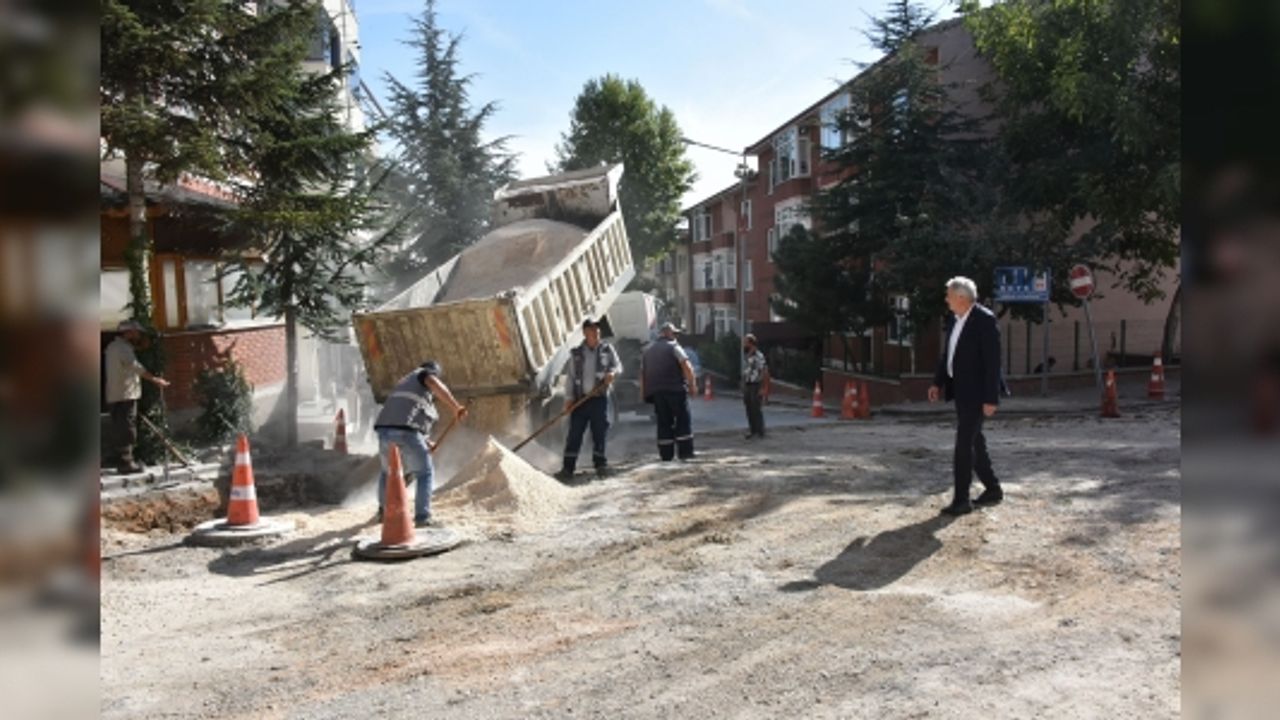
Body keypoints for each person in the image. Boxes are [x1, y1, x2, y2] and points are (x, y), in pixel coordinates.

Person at [928, 276, 1005, 516]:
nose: (946, 300)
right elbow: (947, 354)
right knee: (974, 441)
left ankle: (961, 500)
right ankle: (992, 488)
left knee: (964, 444)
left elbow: (993, 364)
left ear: (961, 297)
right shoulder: (955, 319)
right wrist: (938, 382)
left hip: (978, 393)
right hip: (960, 390)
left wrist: (991, 399)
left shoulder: (984, 320)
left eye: (949, 295)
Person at [372, 360, 467, 527]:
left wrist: (425, 441)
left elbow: (406, 414)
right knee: (425, 473)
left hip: (384, 431)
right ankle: (423, 517)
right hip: (406, 432)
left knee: (388, 472)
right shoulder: (424, 375)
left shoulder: (405, 384)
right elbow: (433, 383)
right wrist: (456, 407)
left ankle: (383, 512)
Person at [555, 318, 622, 481]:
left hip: (599, 399)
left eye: (598, 332)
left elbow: (618, 366)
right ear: (585, 333)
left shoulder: (607, 349)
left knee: (599, 432)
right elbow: (570, 378)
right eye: (593, 332)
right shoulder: (576, 353)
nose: (597, 334)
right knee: (574, 434)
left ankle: (601, 465)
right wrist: (569, 399)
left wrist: (612, 373)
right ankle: (567, 469)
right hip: (580, 401)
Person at [103, 320, 169, 473]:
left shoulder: (113, 347)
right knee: (127, 428)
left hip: (116, 394)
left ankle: (121, 459)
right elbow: (135, 366)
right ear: (129, 332)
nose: (139, 335)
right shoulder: (123, 349)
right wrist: (155, 379)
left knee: (120, 427)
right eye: (137, 333)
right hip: (124, 394)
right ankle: (126, 463)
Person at [640, 322, 698, 461]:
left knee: (663, 422)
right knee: (682, 420)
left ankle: (666, 454)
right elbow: (686, 366)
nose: (676, 337)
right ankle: (685, 453)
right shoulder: (674, 347)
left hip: (657, 393)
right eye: (675, 334)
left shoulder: (648, 351)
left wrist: (643, 393)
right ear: (669, 333)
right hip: (675, 390)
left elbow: (642, 374)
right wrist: (692, 385)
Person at [742, 333, 769, 439]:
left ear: (751, 343)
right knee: (749, 408)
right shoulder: (748, 356)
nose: (744, 345)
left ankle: (760, 431)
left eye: (745, 343)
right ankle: (752, 430)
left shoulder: (759, 356)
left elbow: (764, 371)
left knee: (756, 409)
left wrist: (763, 387)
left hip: (756, 385)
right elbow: (746, 371)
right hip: (748, 385)